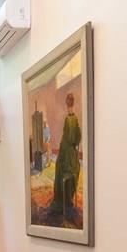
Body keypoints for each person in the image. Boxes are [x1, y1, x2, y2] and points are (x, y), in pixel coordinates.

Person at [50, 92, 82, 220]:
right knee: (71, 170)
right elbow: (76, 137)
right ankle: (68, 197)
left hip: (67, 153)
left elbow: (68, 137)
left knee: (60, 170)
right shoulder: (74, 119)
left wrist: (67, 145)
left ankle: (63, 199)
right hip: (71, 156)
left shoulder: (69, 119)